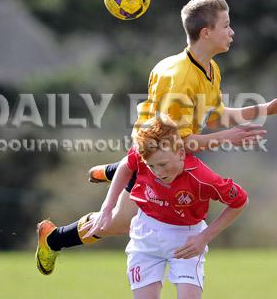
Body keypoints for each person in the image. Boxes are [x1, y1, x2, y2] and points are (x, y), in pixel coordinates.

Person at [35, 0, 277, 275]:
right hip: (155, 155)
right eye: (226, 25)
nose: (232, 32)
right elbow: (178, 143)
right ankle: (54, 238)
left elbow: (214, 116)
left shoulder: (209, 68)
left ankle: (116, 170)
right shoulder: (180, 78)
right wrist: (227, 137)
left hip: (163, 152)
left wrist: (264, 109)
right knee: (119, 223)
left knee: (125, 218)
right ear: (206, 33)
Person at [104, 115, 248, 299]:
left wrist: (204, 237)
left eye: (163, 164)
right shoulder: (144, 153)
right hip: (145, 233)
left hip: (186, 239)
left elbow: (240, 201)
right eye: (152, 166)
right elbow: (125, 165)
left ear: (181, 152)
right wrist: (107, 208)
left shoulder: (203, 178)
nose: (158, 173)